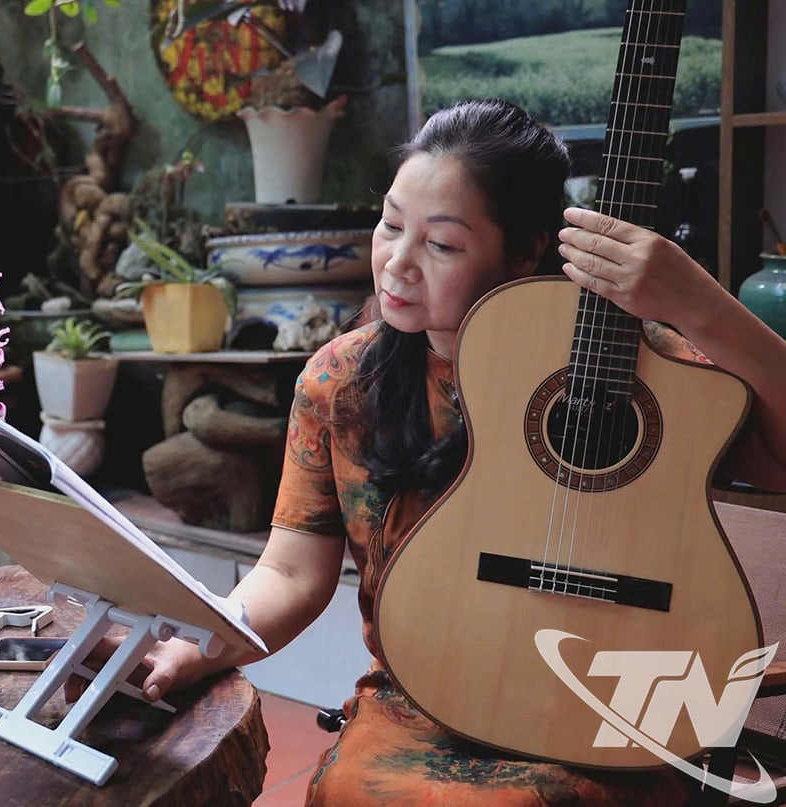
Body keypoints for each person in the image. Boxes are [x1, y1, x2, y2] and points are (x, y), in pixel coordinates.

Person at [70, 98, 786, 805]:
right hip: (429, 690)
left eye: (441, 245)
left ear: (528, 247)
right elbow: (290, 568)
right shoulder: (339, 382)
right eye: (390, 225)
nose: (397, 263)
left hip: (619, 700)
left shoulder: (643, 372)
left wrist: (700, 303)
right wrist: (203, 645)